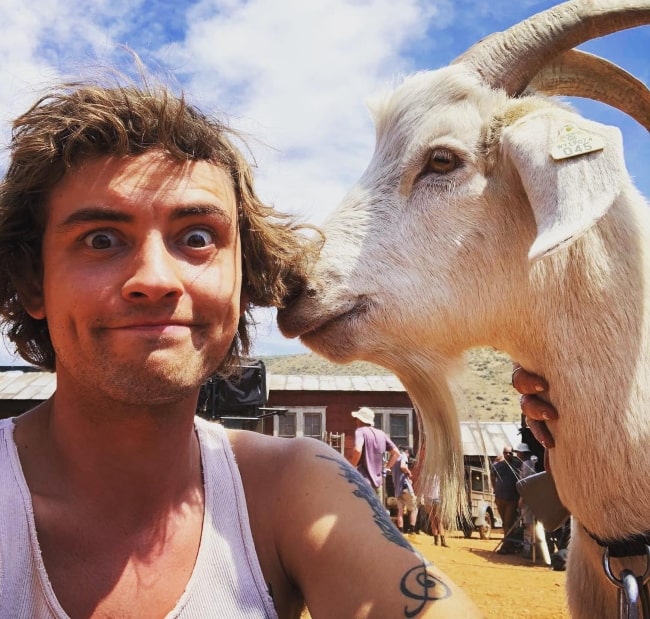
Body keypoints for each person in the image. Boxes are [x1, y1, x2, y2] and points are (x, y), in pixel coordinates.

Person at [0, 75, 484, 617]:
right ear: (32, 282)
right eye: (101, 239)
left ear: (244, 277)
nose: (156, 279)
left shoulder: (291, 487)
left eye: (198, 238)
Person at [348, 406, 400, 502]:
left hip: (363, 482)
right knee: (376, 514)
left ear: (360, 420)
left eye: (356, 419)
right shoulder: (381, 434)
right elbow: (396, 453)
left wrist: (350, 467)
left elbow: (357, 450)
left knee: (359, 512)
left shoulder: (361, 431)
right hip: (378, 484)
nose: (355, 421)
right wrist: (386, 468)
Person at [491, 446, 520, 554]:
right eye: (505, 453)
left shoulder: (517, 464)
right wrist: (495, 489)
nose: (507, 455)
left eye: (509, 453)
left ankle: (506, 546)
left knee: (508, 523)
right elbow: (492, 477)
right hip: (500, 498)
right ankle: (509, 545)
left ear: (512, 453)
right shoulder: (498, 465)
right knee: (504, 523)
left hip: (512, 499)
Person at [391, 445, 419, 535]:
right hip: (405, 487)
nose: (409, 457)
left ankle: (400, 530)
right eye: (409, 455)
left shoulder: (394, 459)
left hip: (397, 489)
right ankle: (412, 529)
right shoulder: (403, 456)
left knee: (400, 511)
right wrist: (409, 472)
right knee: (414, 508)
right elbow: (403, 467)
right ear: (407, 451)